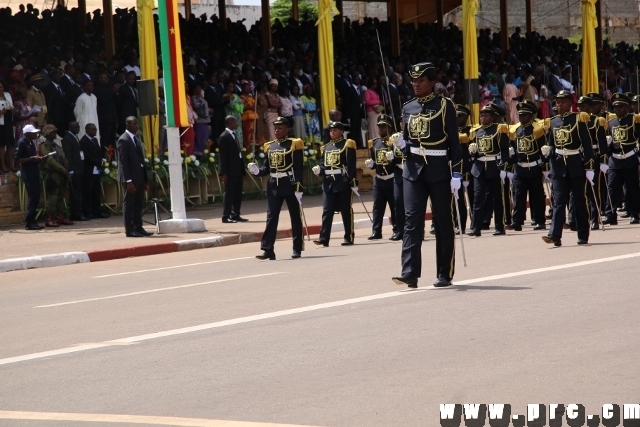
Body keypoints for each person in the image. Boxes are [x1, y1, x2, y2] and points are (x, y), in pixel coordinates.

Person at [391, 62, 463, 288]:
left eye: (421, 80)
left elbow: (454, 142)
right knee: (411, 220)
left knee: (442, 221)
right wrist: (401, 146)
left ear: (432, 83)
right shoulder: (408, 107)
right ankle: (409, 272)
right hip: (413, 169)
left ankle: (444, 272)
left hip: (439, 168)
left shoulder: (444, 106)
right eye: (413, 81)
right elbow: (407, 139)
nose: (416, 84)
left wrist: (457, 172)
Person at [541, 90, 594, 246]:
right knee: (558, 201)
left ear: (571, 104)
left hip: (575, 164)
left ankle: (583, 234)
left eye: (563, 101)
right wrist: (548, 150)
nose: (559, 104)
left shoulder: (578, 119)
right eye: (558, 101)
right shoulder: (553, 121)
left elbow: (587, 145)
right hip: (558, 166)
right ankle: (554, 235)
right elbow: (551, 142)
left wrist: (589, 167)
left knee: (578, 201)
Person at [248, 117, 305, 260]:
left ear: (288, 129)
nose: (277, 130)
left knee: (295, 217)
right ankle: (268, 249)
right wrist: (257, 171)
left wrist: (298, 186)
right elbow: (266, 168)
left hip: (289, 182)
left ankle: (297, 247)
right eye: (275, 128)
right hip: (274, 183)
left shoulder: (294, 144)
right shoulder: (270, 146)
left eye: (280, 128)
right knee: (271, 217)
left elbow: (298, 168)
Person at [312, 121, 358, 246]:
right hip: (328, 182)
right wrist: (319, 170)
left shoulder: (347, 144)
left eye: (335, 130)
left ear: (342, 131)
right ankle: (324, 238)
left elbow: (351, 165)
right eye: (331, 130)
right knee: (327, 211)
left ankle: (348, 236)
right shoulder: (325, 147)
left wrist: (353, 181)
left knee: (345, 210)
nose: (332, 132)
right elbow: (323, 165)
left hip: (342, 181)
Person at [467, 103, 510, 236]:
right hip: (479, 167)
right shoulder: (476, 131)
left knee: (497, 198)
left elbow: (504, 150)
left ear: (492, 117)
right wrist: (472, 151)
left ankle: (499, 226)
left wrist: (503, 167)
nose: (483, 118)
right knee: (478, 197)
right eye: (481, 116)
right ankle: (476, 227)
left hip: (494, 166)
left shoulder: (499, 129)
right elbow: (473, 150)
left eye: (486, 116)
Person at [506, 100, 547, 231]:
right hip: (520, 167)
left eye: (525, 115)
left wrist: (546, 166)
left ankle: (540, 220)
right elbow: (512, 146)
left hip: (534, 166)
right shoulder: (516, 129)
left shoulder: (538, 128)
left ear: (531, 115)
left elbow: (543, 148)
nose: (522, 117)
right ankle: (517, 221)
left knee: (537, 195)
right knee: (518, 195)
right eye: (520, 115)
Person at [602, 93, 640, 226]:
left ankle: (635, 214)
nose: (617, 109)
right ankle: (610, 215)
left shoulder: (634, 119)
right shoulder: (611, 122)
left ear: (627, 107)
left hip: (630, 157)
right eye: (615, 107)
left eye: (621, 107)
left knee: (632, 188)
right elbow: (609, 143)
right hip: (615, 159)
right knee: (612, 188)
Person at [117, 116, 152, 238]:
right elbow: (123, 163)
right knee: (129, 203)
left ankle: (138, 227)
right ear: (127, 125)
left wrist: (145, 180)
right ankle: (129, 229)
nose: (136, 126)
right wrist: (129, 181)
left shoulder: (136, 139)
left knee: (138, 203)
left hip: (139, 177)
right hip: (130, 179)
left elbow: (141, 161)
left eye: (137, 124)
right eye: (134, 124)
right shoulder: (123, 140)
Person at [364, 114, 397, 240]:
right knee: (378, 207)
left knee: (394, 207)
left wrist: (393, 158)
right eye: (379, 127)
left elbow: (400, 160)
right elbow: (373, 160)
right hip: (379, 179)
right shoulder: (374, 143)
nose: (381, 129)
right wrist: (371, 164)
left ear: (389, 127)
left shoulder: (394, 142)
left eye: (384, 126)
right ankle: (376, 231)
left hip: (392, 177)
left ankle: (397, 229)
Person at [39, 124, 74, 227]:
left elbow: (63, 159)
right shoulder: (45, 146)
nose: (55, 134)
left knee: (60, 197)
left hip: (61, 174)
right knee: (53, 197)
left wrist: (67, 170)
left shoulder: (56, 145)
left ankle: (60, 217)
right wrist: (61, 169)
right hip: (53, 174)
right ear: (47, 133)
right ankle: (49, 218)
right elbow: (50, 160)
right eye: (53, 132)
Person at [218, 116, 247, 223]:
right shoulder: (224, 137)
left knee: (238, 193)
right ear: (230, 122)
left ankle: (236, 214)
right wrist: (224, 173)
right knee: (229, 193)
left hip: (237, 169)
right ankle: (226, 215)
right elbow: (223, 156)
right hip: (230, 171)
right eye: (235, 122)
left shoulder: (233, 135)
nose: (237, 124)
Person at [14, 124, 44, 230]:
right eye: (33, 132)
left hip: (34, 171)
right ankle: (29, 221)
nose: (36, 134)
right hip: (27, 172)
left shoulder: (31, 143)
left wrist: (37, 158)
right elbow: (17, 159)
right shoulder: (21, 143)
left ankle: (32, 220)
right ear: (27, 133)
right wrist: (31, 158)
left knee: (36, 196)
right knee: (33, 196)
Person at [80, 123, 109, 220]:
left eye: (95, 129)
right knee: (88, 191)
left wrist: (101, 161)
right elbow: (86, 156)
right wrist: (97, 162)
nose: (95, 131)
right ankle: (88, 211)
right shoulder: (83, 141)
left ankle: (97, 210)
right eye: (93, 129)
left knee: (97, 191)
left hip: (96, 169)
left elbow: (98, 153)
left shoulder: (95, 140)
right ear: (87, 130)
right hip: (88, 170)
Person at [61, 121, 87, 221]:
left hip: (79, 169)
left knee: (78, 191)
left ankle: (77, 212)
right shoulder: (67, 139)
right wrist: (70, 171)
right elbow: (68, 156)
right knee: (75, 193)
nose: (78, 129)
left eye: (78, 127)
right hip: (74, 170)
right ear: (70, 128)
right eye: (76, 127)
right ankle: (76, 213)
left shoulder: (75, 137)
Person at [456, 104, 474, 234]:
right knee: (458, 200)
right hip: (456, 169)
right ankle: (460, 225)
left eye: (460, 116)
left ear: (466, 117)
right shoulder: (450, 130)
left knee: (473, 198)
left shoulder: (471, 131)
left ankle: (475, 223)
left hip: (470, 168)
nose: (457, 119)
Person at [0, 81, 17, 172]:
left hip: (8, 120)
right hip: (0, 122)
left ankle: (11, 164)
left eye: (1, 87)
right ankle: (3, 165)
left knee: (11, 143)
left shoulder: (7, 95)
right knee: (1, 144)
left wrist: (13, 109)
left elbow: (10, 105)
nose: (0, 89)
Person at [191, 85, 211, 155]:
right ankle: (198, 153)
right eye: (198, 88)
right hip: (199, 121)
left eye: (200, 88)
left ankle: (205, 153)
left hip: (205, 121)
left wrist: (209, 111)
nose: (200, 89)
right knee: (199, 138)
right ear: (194, 90)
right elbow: (198, 108)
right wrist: (206, 114)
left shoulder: (202, 98)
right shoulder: (194, 98)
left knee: (205, 138)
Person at [224, 81, 244, 147]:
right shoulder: (225, 96)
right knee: (232, 134)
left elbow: (242, 104)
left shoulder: (235, 95)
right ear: (226, 87)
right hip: (230, 117)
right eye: (230, 86)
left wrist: (234, 101)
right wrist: (236, 103)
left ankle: (240, 151)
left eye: (233, 86)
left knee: (239, 135)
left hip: (237, 117)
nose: (232, 87)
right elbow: (231, 105)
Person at [239, 81, 257, 150]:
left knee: (253, 134)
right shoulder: (242, 97)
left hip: (253, 117)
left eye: (249, 88)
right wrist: (250, 107)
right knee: (247, 133)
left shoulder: (251, 96)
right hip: (246, 118)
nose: (249, 89)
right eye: (247, 88)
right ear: (243, 89)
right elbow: (241, 108)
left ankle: (253, 149)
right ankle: (247, 150)